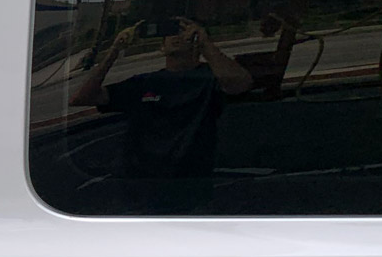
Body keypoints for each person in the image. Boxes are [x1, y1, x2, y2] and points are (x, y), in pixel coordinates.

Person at [69, 17, 254, 182]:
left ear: (197, 39)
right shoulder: (144, 83)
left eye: (183, 30)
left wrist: (206, 44)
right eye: (169, 32)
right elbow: (83, 98)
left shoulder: (212, 79)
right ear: (162, 47)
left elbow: (240, 84)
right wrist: (114, 51)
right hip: (139, 181)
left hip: (191, 181)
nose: (175, 36)